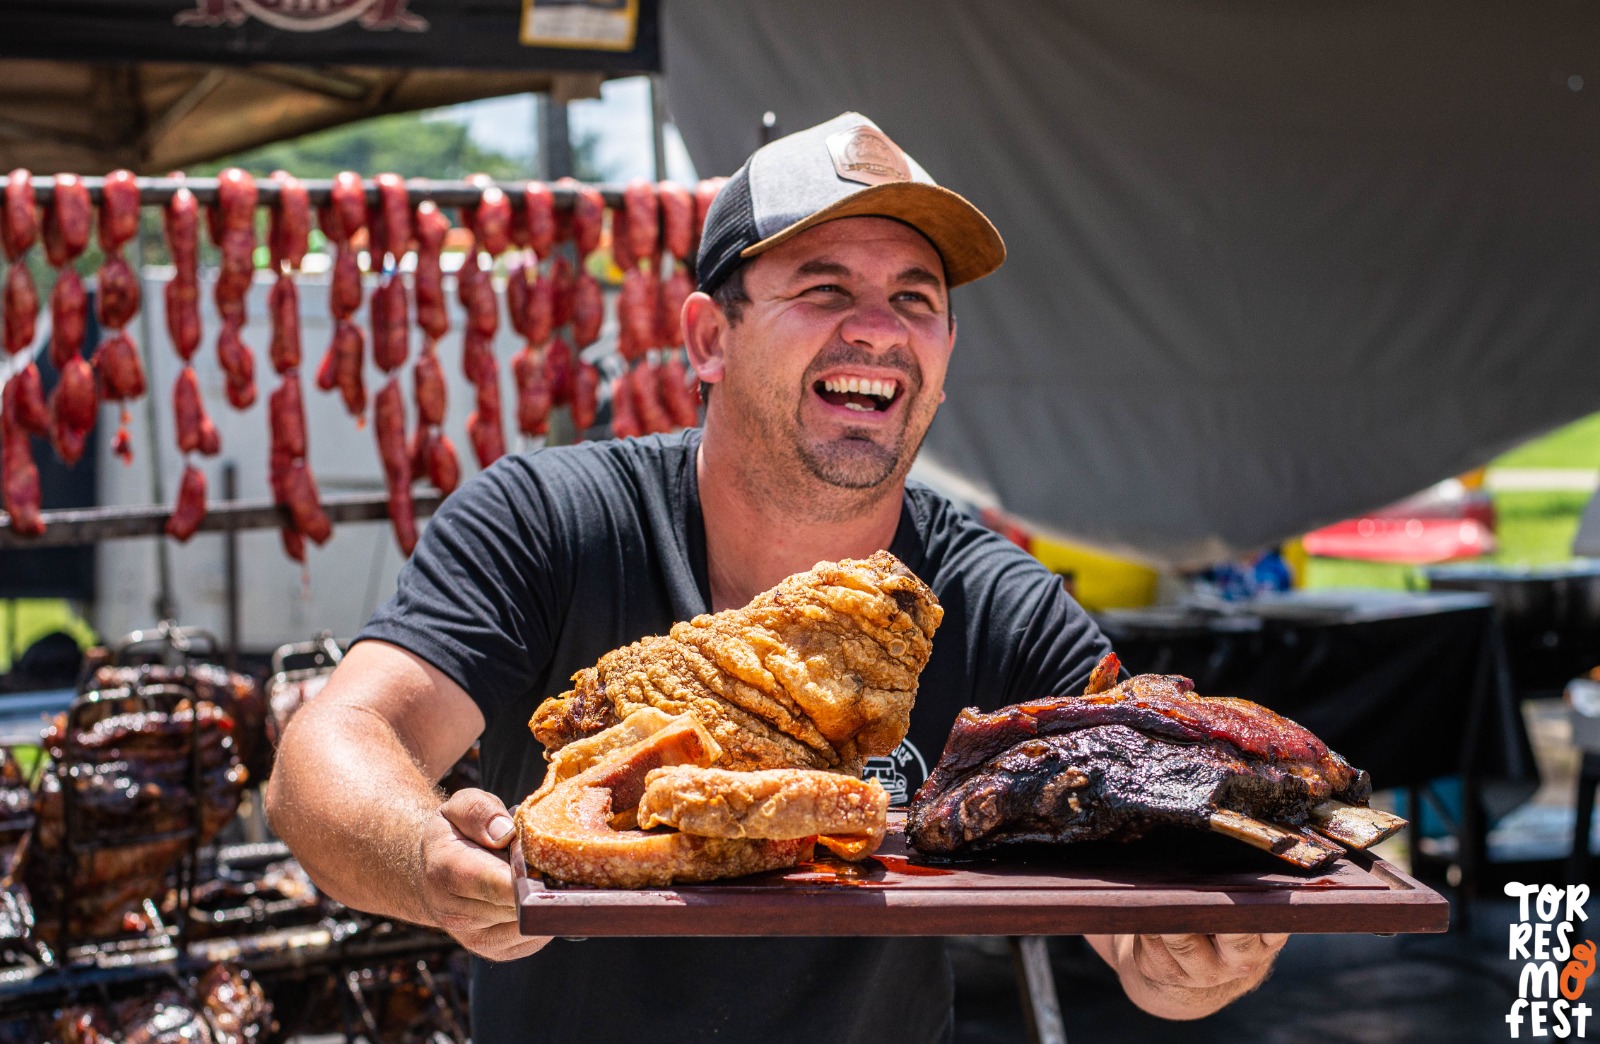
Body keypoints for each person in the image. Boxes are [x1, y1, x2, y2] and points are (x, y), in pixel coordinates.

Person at [266, 112, 1287, 1042]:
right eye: (825, 288)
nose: (877, 328)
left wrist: (1189, 959)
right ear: (710, 337)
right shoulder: (551, 522)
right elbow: (332, 749)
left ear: (943, 353)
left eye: (914, 300)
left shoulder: (989, 597)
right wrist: (428, 864)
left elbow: (1145, 902)